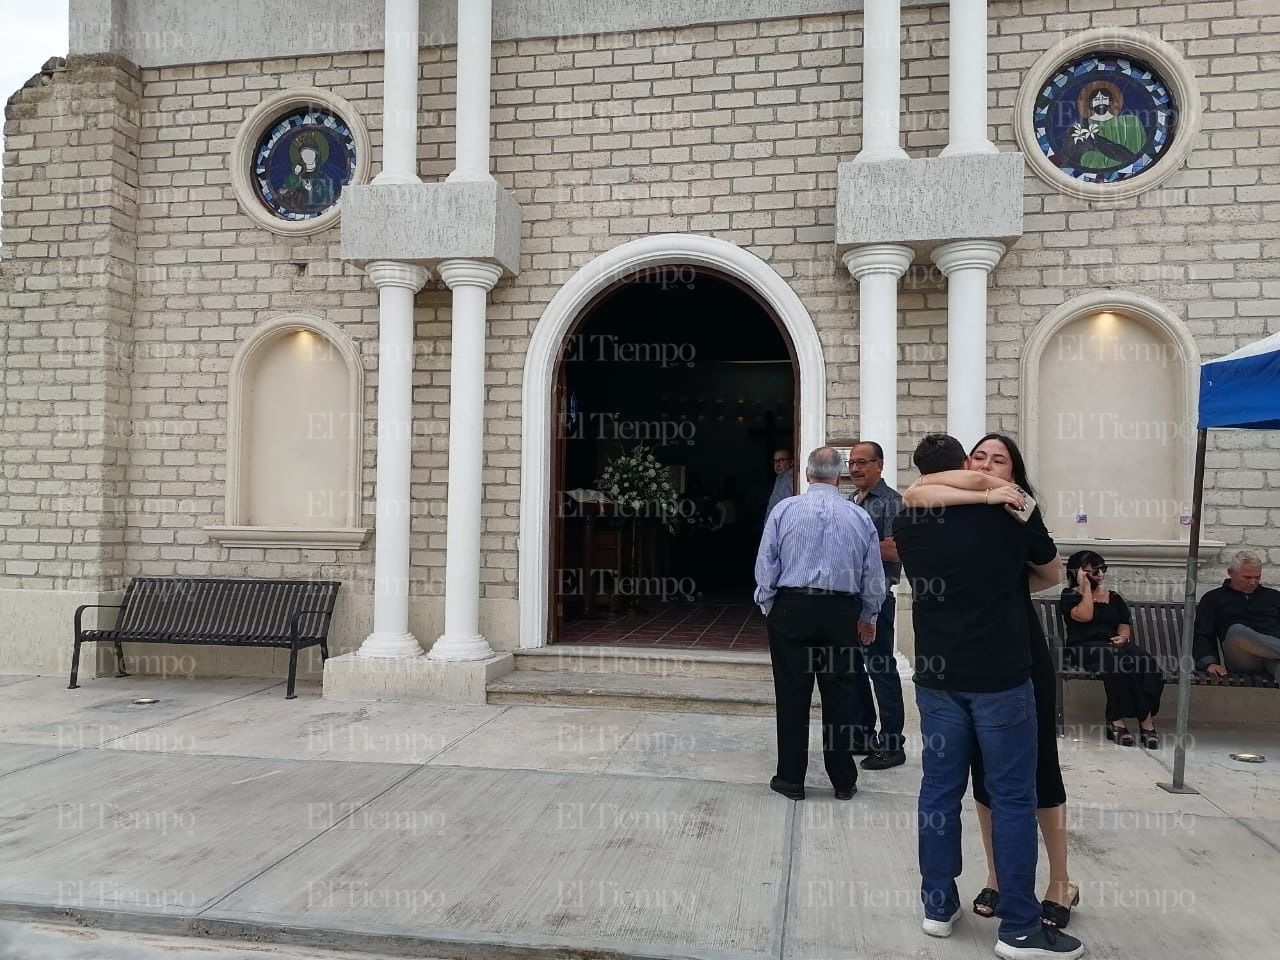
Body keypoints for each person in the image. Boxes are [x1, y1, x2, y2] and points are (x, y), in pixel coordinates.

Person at [896, 435, 1082, 960]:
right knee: (1013, 797)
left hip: (937, 674)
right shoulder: (1010, 511)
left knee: (938, 792)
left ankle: (937, 906)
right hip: (999, 675)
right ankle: (1020, 928)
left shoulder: (908, 518)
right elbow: (1050, 569)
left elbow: (916, 495)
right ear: (964, 465)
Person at [754, 446, 885, 802]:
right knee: (839, 694)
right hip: (840, 611)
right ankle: (843, 779)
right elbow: (873, 574)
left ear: (807, 475)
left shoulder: (784, 510)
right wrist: (868, 616)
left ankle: (791, 778)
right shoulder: (858, 517)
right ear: (839, 476)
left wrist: (769, 605)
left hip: (792, 607)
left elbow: (766, 563)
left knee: (792, 693)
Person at [1060, 550, 1164, 748]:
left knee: (1144, 660)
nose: (1100, 574)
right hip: (1083, 648)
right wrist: (1086, 589)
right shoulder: (1069, 596)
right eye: (1094, 571)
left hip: (1114, 646)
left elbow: (1124, 624)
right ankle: (1124, 720)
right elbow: (1085, 616)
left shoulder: (1113, 597)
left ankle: (1143, 717)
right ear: (1078, 573)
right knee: (1115, 659)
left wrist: (1124, 637)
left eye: (1102, 569)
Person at [845, 441, 907, 770]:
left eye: (863, 463)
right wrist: (870, 546)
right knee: (855, 670)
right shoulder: (850, 502)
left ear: (880, 465)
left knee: (881, 670)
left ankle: (893, 744)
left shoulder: (892, 503)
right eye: (852, 462)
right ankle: (863, 735)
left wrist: (851, 548)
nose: (855, 468)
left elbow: (895, 551)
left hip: (878, 599)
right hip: (849, 600)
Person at [1194, 550, 1280, 683]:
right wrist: (1209, 663)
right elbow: (1202, 634)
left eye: (1257, 577)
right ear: (1230, 573)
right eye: (1247, 577)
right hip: (1242, 658)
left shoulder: (1274, 597)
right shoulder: (1213, 598)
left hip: (1273, 656)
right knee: (1236, 631)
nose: (1253, 582)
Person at [765, 449, 795, 519]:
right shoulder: (781, 478)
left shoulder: (790, 479)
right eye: (775, 461)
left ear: (791, 462)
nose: (777, 465)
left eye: (781, 460)